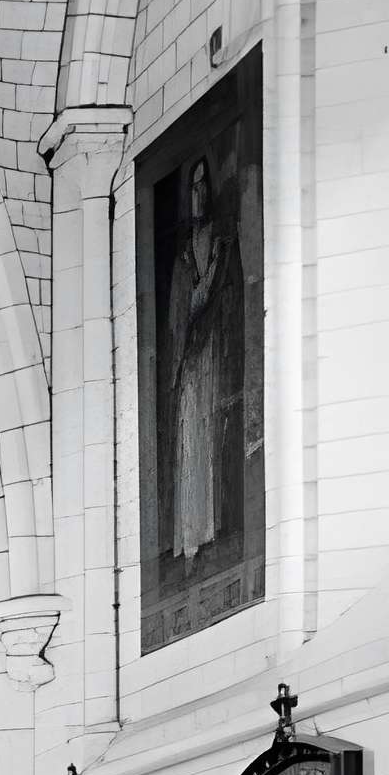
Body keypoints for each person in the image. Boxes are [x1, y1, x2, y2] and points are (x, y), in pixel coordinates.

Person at [168, 156, 230, 563]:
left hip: (210, 353)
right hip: (190, 358)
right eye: (194, 187)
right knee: (190, 439)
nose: (199, 193)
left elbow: (214, 293)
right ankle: (188, 540)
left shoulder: (217, 240)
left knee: (207, 439)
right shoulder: (186, 253)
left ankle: (206, 532)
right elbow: (183, 306)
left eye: (204, 185)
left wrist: (206, 287)